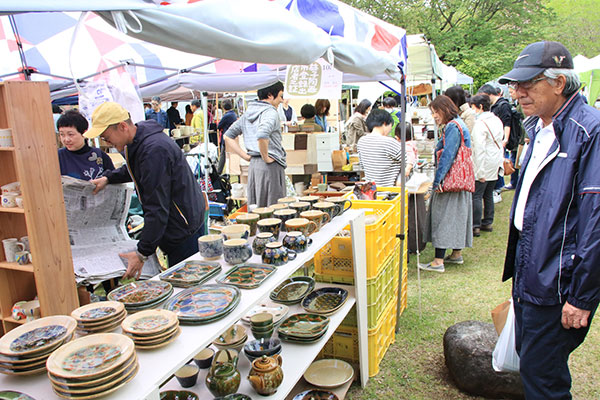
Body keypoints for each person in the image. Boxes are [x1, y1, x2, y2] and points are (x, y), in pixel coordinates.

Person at [499, 41, 600, 400]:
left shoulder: (589, 130)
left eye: (528, 83)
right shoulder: (540, 127)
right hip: (533, 268)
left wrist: (583, 296)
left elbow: (595, 221)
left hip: (558, 280)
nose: (518, 92)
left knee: (544, 378)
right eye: (515, 84)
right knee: (532, 363)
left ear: (559, 83)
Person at [86, 102, 207, 278]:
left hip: (182, 227)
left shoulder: (153, 150)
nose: (106, 142)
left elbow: (157, 207)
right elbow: (137, 168)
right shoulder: (141, 141)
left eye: (106, 137)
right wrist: (109, 177)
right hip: (183, 220)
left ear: (122, 126)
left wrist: (142, 253)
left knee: (189, 285)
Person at [420, 95, 473, 273]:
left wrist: (438, 181)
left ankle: (438, 261)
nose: (434, 116)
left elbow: (448, 156)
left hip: (450, 181)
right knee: (457, 217)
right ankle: (456, 254)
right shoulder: (459, 124)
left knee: (442, 217)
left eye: (435, 112)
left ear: (444, 109)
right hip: (460, 182)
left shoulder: (452, 127)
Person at [224, 82, 286, 207]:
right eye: (280, 96)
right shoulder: (270, 112)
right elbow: (262, 134)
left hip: (254, 165)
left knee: (257, 207)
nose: (281, 100)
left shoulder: (248, 113)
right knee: (274, 209)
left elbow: (227, 136)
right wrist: (265, 156)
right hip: (270, 165)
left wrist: (245, 156)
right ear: (270, 95)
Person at [468, 94, 504, 237]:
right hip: (494, 159)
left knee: (477, 194)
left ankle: (475, 225)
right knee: (488, 193)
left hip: (484, 160)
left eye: (473, 107)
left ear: (480, 107)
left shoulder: (481, 123)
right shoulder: (496, 120)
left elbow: (480, 147)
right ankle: (487, 221)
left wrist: (480, 171)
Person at [57, 110, 115, 181]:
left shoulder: (99, 155)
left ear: (84, 133)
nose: (66, 139)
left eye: (70, 134)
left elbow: (113, 178)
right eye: (62, 134)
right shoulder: (58, 157)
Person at [478, 83, 512, 200]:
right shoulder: (494, 106)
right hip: (495, 142)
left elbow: (507, 123)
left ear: (489, 94)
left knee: (499, 166)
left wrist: (505, 139)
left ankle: (498, 190)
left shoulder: (503, 105)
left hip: (499, 142)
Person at [357, 109, 406, 187]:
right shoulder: (390, 142)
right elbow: (408, 162)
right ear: (384, 123)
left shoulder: (361, 141)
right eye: (390, 126)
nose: (390, 130)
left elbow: (362, 165)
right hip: (390, 194)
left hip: (371, 194)